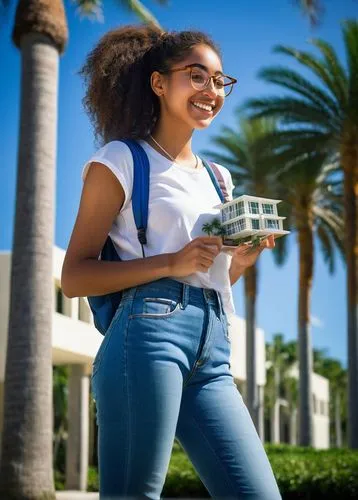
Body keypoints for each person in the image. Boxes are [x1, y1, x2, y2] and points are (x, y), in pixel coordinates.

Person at [61, 24, 281, 500]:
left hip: (215, 345)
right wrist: (169, 263)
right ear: (160, 83)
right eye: (197, 76)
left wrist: (240, 261)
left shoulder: (220, 178)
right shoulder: (121, 160)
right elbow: (75, 277)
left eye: (220, 80)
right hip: (147, 336)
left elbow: (215, 278)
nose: (211, 90)